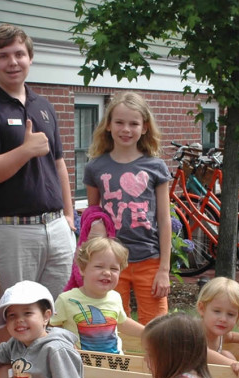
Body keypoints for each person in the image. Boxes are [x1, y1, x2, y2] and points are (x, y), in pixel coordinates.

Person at [0, 24, 76, 339]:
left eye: (19, 54)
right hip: (10, 232)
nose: (13, 62)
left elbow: (59, 164)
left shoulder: (44, 106)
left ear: (30, 58)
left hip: (55, 229)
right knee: (9, 317)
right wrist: (25, 151)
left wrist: (68, 217)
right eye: (4, 56)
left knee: (43, 314)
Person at [84, 92, 172, 324]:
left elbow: (164, 220)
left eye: (134, 123)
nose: (126, 129)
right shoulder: (96, 167)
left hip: (149, 260)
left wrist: (164, 269)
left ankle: (153, 363)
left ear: (144, 128)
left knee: (156, 328)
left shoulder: (156, 167)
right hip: (110, 261)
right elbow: (92, 217)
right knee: (114, 326)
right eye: (119, 122)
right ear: (109, 126)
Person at [51, 236, 144, 354]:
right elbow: (54, 327)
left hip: (115, 364)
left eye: (114, 268)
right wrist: (66, 344)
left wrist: (146, 332)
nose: (106, 272)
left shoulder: (115, 297)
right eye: (99, 266)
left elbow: (122, 323)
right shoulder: (66, 299)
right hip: (81, 365)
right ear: (82, 269)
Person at [63, 205, 115, 292]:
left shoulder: (115, 297)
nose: (96, 243)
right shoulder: (82, 255)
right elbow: (77, 276)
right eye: (93, 237)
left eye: (101, 238)